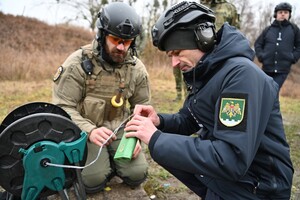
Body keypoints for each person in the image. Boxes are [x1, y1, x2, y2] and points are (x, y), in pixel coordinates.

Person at [124, 1, 293, 199]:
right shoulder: (207, 71)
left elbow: (230, 157)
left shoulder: (241, 76)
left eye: (177, 53)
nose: (174, 63)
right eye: (171, 55)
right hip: (233, 179)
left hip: (258, 187)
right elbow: (190, 119)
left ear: (202, 39)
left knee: (162, 146)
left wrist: (156, 138)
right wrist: (158, 121)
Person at [52, 2, 150, 194]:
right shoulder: (76, 64)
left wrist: (137, 138)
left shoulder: (137, 69)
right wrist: (90, 131)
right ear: (102, 35)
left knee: (137, 174)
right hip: (84, 130)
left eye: (127, 41)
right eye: (115, 39)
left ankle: (112, 159)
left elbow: (142, 107)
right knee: (92, 180)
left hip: (120, 127)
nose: (121, 47)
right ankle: (101, 163)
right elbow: (63, 107)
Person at [254, 2, 300, 90]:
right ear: (276, 14)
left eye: (286, 12)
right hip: (267, 67)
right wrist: (261, 56)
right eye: (280, 12)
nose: (283, 14)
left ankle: (272, 104)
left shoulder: (294, 29)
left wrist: (293, 57)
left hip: (283, 69)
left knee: (274, 90)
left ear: (289, 15)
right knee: (265, 91)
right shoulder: (268, 29)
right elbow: (258, 44)